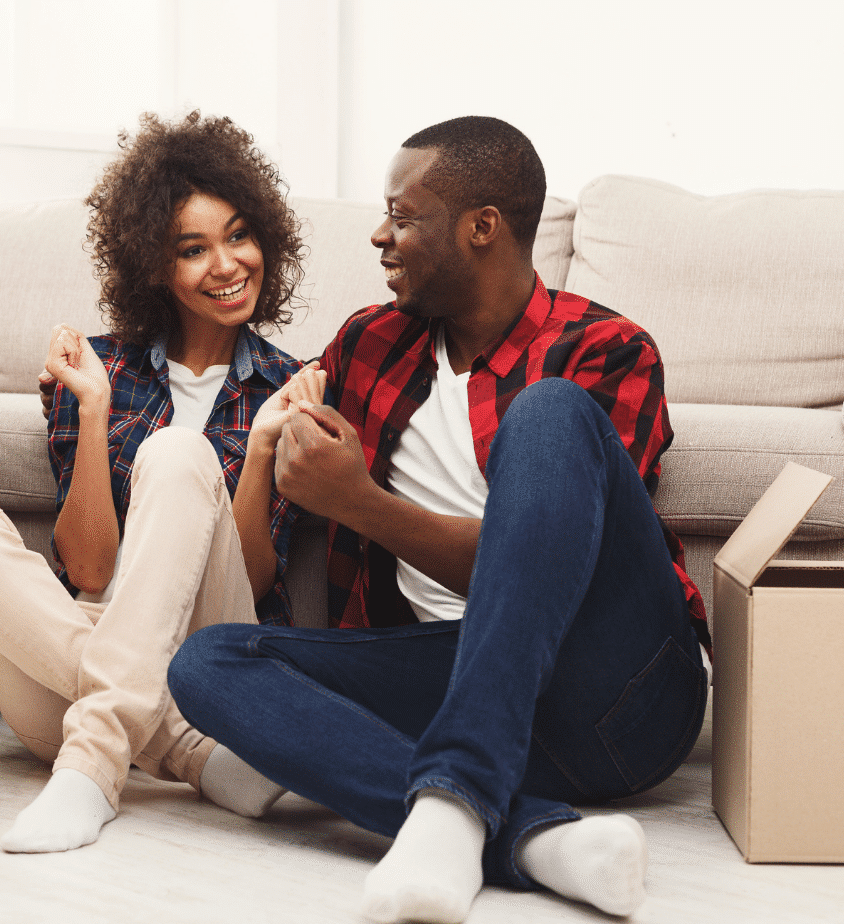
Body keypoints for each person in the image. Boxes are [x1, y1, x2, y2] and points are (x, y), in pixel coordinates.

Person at [167, 116, 709, 922]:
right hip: (454, 681)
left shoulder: (606, 348)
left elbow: (554, 568)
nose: (381, 236)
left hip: (616, 695)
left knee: (549, 415)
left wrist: (358, 504)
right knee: (207, 665)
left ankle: (456, 790)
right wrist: (265, 454)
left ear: (481, 228)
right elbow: (268, 534)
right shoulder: (369, 344)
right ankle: (531, 839)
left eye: (404, 215)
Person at [0, 111, 326, 854]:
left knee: (176, 454)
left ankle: (95, 763)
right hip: (79, 670)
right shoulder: (97, 368)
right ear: (153, 266)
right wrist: (96, 408)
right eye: (193, 249)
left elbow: (255, 577)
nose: (227, 264)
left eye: (239, 236)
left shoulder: (287, 385)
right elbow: (91, 569)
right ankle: (191, 754)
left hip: (211, 666)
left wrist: (264, 451)